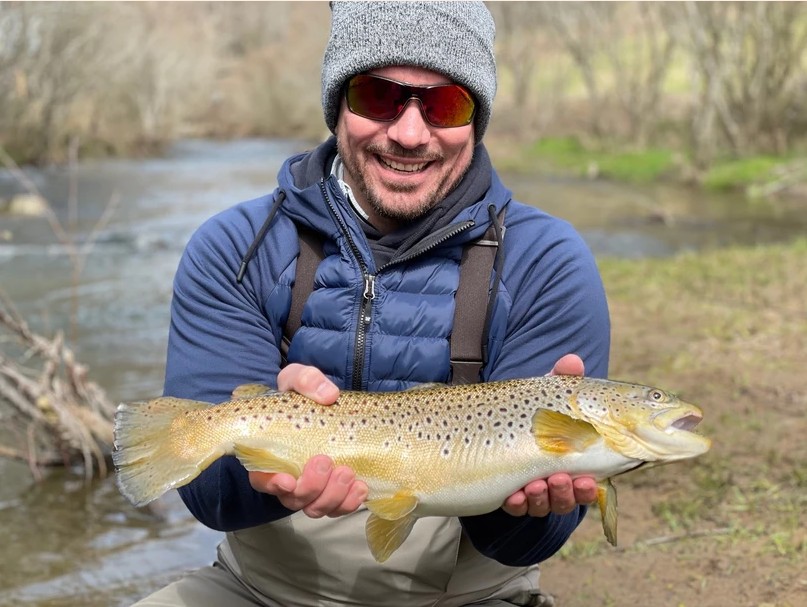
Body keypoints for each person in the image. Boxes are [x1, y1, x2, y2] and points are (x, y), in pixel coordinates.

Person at [133, 2, 610, 606]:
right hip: (262, 591)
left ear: (477, 119)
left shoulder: (547, 262)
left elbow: (522, 544)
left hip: (469, 596)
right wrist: (270, 471)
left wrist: (535, 504)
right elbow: (212, 499)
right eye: (378, 97)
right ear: (338, 104)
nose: (409, 134)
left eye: (445, 105)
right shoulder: (238, 247)